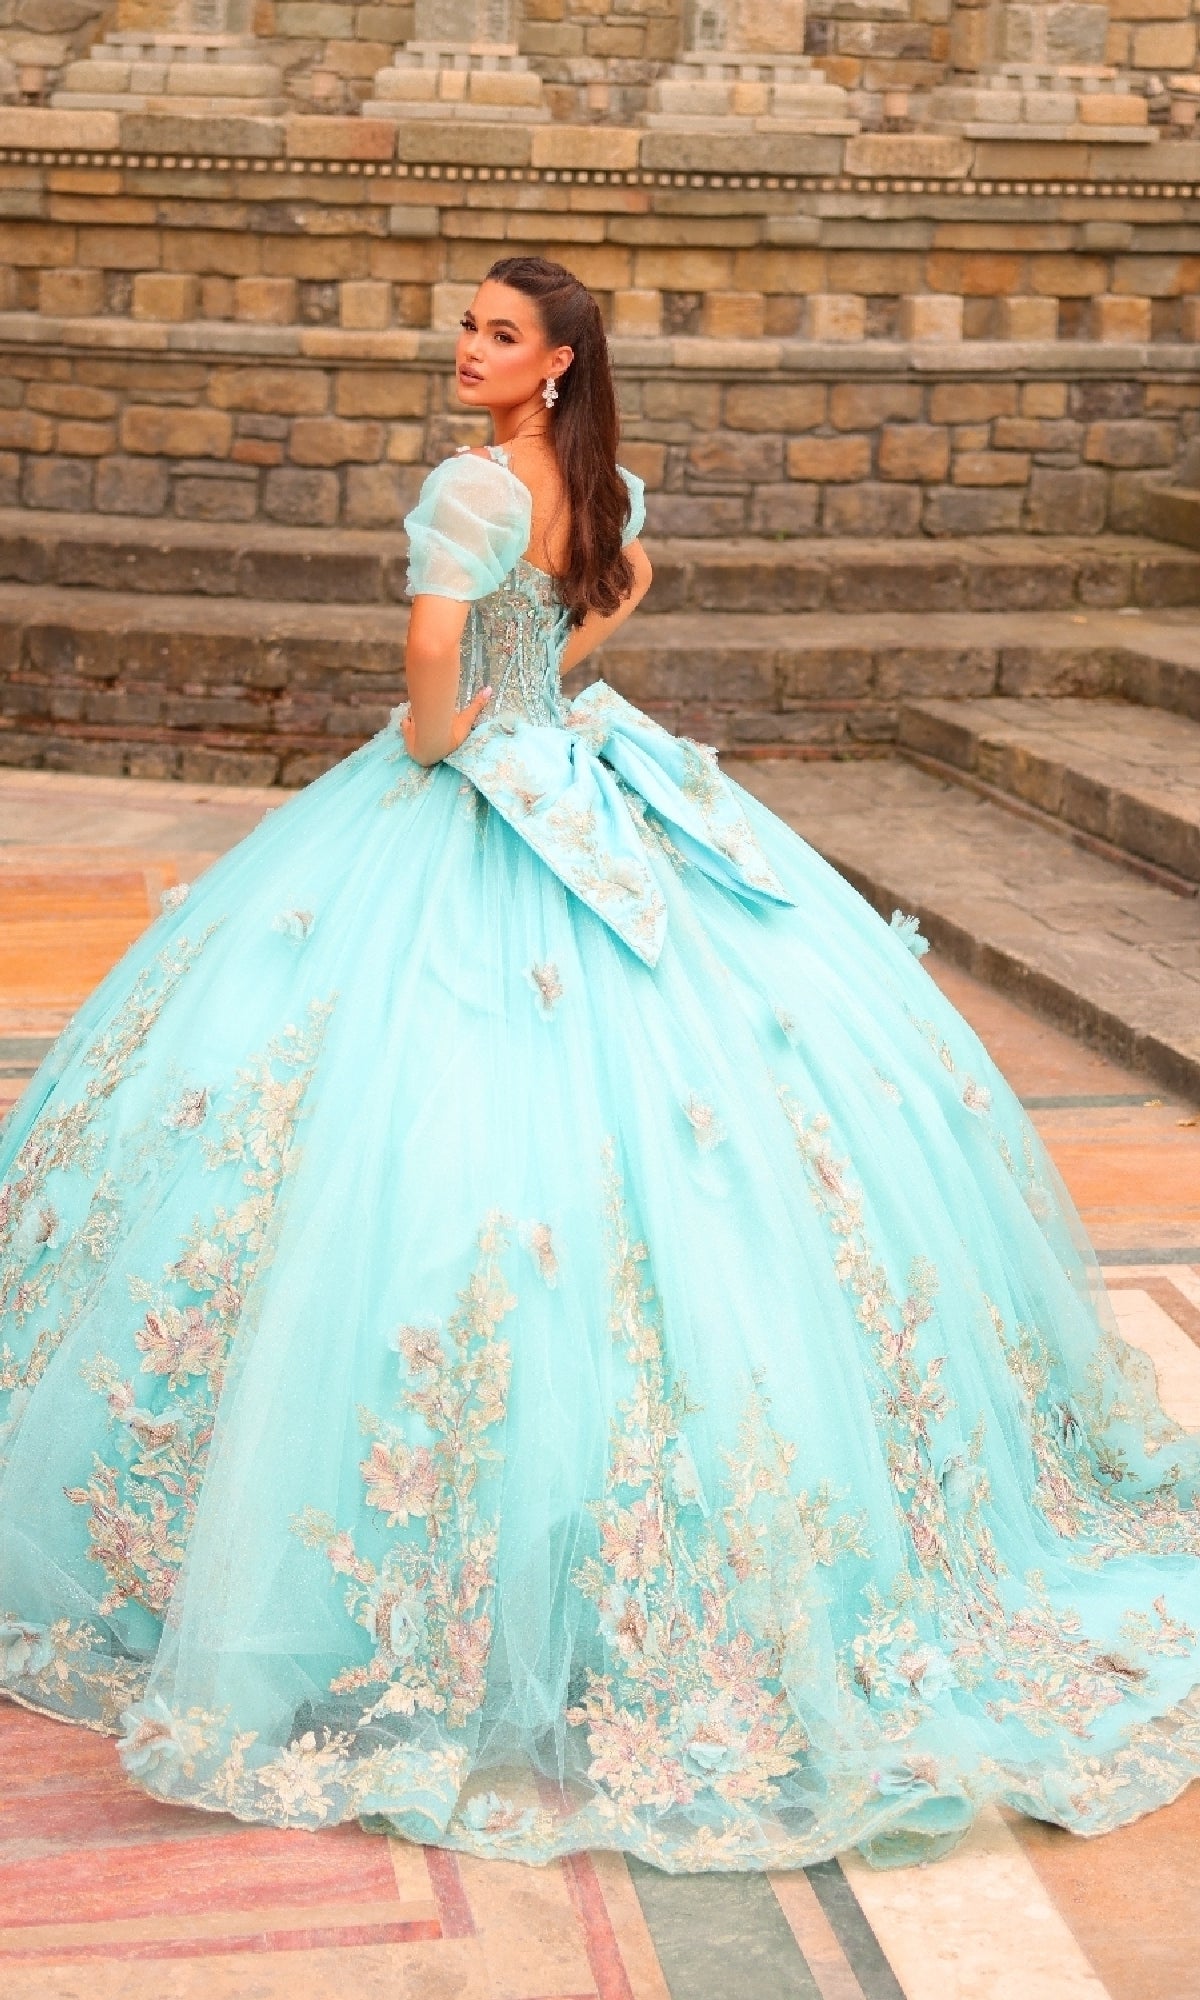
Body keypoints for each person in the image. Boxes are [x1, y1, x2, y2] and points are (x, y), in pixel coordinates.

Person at [2, 253, 1200, 1878]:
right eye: (466, 324)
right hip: (580, 770)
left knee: (353, 1125)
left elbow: (435, 702)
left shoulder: (465, 491)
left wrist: (450, 733)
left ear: (557, 363)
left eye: (498, 333)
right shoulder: (596, 477)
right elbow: (611, 596)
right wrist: (531, 692)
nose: (464, 347)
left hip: (462, 795)